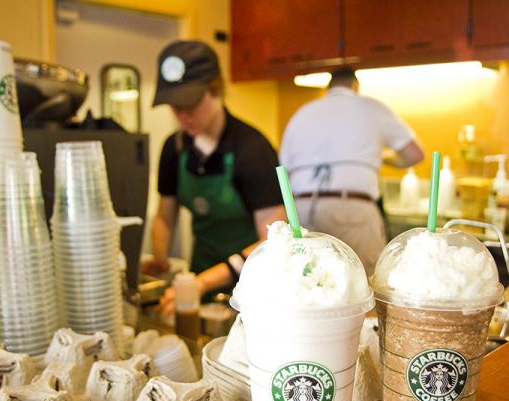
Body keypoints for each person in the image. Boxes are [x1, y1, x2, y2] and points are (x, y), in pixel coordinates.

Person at [143, 40, 285, 312]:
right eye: (174, 106)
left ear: (216, 90)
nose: (183, 116)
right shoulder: (174, 148)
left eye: (191, 103)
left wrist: (205, 282)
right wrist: (160, 259)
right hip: (201, 273)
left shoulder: (252, 150)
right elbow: (165, 215)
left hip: (252, 285)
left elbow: (273, 241)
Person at [280, 67, 424, 275]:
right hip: (351, 211)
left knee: (306, 288)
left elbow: (284, 170)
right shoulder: (372, 107)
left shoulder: (302, 113)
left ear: (327, 88)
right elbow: (415, 154)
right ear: (356, 87)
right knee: (361, 286)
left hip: (299, 211)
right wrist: (382, 159)